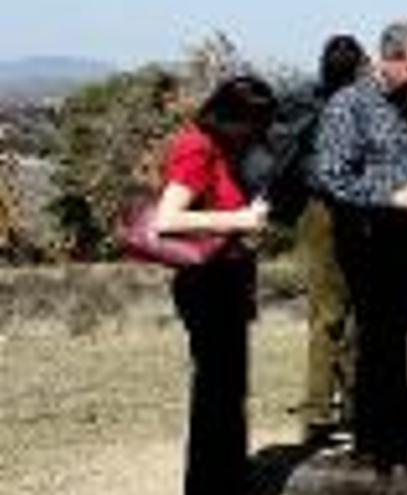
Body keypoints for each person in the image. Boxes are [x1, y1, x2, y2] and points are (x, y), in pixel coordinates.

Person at [313, 20, 407, 476]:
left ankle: (378, 440)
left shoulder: (405, 105)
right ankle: (388, 442)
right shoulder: (348, 105)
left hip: (404, 241)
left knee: (392, 342)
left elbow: (396, 168)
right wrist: (392, 196)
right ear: (387, 58)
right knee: (379, 343)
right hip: (367, 242)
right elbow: (330, 175)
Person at [154, 75, 277, 495]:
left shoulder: (225, 147)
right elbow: (167, 219)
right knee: (215, 397)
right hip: (206, 285)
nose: (255, 135)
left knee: (228, 393)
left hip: (228, 279)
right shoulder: (197, 147)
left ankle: (228, 478)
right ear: (231, 116)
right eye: (252, 124)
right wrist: (238, 220)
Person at [270, 34, 368, 443]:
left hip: (329, 210)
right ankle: (324, 411)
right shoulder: (358, 104)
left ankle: (336, 408)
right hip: (333, 210)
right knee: (337, 313)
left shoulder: (302, 101)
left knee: (333, 313)